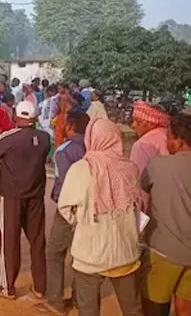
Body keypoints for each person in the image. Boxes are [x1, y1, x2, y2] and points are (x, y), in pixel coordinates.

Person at [57, 117, 143, 316]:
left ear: (91, 138)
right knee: (133, 309)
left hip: (90, 253)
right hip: (126, 252)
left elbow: (66, 208)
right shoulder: (130, 168)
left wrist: (81, 219)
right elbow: (138, 208)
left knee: (88, 310)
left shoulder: (80, 169)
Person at [0, 100, 49, 300]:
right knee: (37, 241)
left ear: (16, 116)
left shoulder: (8, 137)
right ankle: (40, 287)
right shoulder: (44, 137)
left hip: (12, 196)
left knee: (9, 241)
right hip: (35, 195)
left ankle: (7, 287)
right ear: (35, 118)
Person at [37, 110, 89, 315]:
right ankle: (79, 299)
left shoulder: (64, 150)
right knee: (80, 254)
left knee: (55, 253)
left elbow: (66, 184)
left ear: (69, 126)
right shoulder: (93, 146)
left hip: (69, 208)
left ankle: (55, 301)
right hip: (90, 207)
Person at [141, 113, 191, 316]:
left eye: (169, 137)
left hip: (163, 251)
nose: (167, 143)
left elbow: (143, 186)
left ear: (179, 141)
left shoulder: (157, 165)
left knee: (154, 306)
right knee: (186, 308)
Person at [130, 100, 170, 175]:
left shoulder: (142, 144)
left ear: (151, 124)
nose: (133, 126)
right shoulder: (169, 136)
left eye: (138, 121)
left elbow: (138, 177)